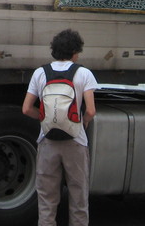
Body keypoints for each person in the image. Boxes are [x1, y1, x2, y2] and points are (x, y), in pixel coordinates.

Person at [22, 29, 98, 226]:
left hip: (47, 140)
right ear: (74, 51)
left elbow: (26, 108)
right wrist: (82, 121)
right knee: (78, 198)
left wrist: (45, 118)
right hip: (76, 140)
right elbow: (91, 111)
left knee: (47, 199)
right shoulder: (83, 73)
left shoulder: (40, 73)